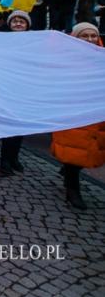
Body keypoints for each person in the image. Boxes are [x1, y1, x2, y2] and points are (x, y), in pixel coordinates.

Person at [51, 22, 105, 210]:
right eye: (85, 36)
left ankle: (68, 171)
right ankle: (72, 190)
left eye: (93, 35)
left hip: (96, 115)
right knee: (74, 151)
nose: (90, 39)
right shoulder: (66, 60)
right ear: (75, 38)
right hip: (72, 113)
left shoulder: (102, 59)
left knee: (88, 151)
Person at [0, 10, 31, 177]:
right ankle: (5, 160)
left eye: (21, 21)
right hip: (8, 89)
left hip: (25, 90)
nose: (18, 23)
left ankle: (14, 157)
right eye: (14, 21)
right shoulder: (2, 41)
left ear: (27, 25)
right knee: (9, 126)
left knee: (21, 126)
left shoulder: (34, 42)